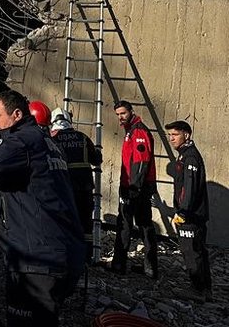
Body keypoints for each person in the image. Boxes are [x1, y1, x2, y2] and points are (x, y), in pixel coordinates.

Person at [0, 89, 84, 327]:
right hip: (60, 252)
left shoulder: (22, 141)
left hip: (36, 259)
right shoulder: (49, 144)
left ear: (16, 114)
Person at [109, 100, 158, 279]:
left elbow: (141, 162)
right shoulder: (131, 130)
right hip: (136, 186)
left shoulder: (137, 131)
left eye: (123, 113)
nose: (120, 117)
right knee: (144, 225)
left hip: (135, 187)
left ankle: (119, 265)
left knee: (126, 224)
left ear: (131, 111)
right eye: (118, 115)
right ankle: (149, 267)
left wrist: (133, 188)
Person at [166, 120, 212, 301]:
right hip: (193, 214)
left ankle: (198, 290)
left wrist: (183, 212)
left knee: (191, 253)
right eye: (169, 135)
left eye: (175, 134)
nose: (171, 138)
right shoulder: (184, 155)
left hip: (191, 216)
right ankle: (205, 290)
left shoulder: (190, 157)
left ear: (187, 134)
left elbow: (190, 187)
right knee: (198, 251)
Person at [50, 107, 103, 261]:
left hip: (61, 189)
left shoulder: (52, 139)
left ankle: (64, 254)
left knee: (63, 221)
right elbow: (96, 160)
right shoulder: (83, 138)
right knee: (85, 222)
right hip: (84, 188)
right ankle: (86, 256)